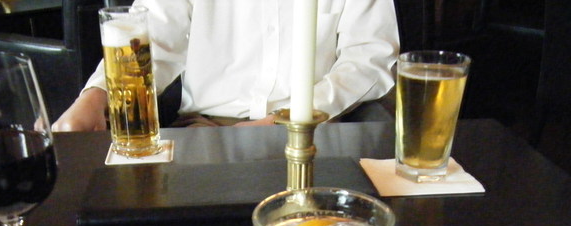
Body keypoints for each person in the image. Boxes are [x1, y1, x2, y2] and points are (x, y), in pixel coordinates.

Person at [52, 0, 399, 131]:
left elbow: (370, 57)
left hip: (314, 132)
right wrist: (96, 96)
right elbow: (152, 44)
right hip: (206, 134)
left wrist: (287, 118)